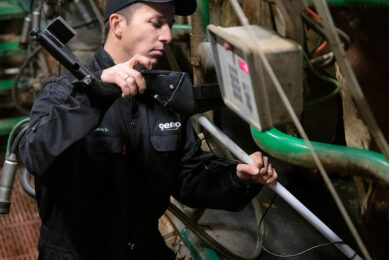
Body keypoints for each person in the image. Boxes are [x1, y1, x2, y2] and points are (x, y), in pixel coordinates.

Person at [19, 0, 278, 259]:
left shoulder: (163, 99)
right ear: (118, 25)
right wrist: (95, 94)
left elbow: (189, 179)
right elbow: (35, 154)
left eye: (170, 25)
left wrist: (238, 177)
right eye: (156, 23)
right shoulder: (66, 92)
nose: (167, 36)